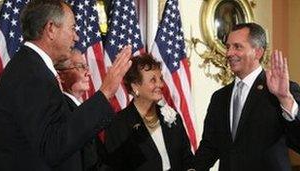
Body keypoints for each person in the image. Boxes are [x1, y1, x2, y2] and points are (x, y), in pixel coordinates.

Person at [0, 0, 132, 170]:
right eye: (73, 28)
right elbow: (53, 145)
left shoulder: (31, 66)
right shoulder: (31, 73)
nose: (76, 37)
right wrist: (105, 92)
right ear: (51, 29)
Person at [195, 23, 300, 171]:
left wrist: (285, 99)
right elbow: (210, 146)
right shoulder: (219, 97)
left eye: (237, 47)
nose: (229, 53)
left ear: (258, 52)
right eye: (228, 47)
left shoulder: (282, 91)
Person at [105, 54, 195, 171]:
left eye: (160, 78)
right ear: (135, 86)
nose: (160, 84)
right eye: (153, 80)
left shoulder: (172, 116)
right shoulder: (118, 125)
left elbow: (187, 157)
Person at [54, 49, 111, 171]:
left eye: (86, 66)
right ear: (61, 76)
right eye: (80, 67)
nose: (88, 73)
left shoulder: (80, 109)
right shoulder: (62, 111)